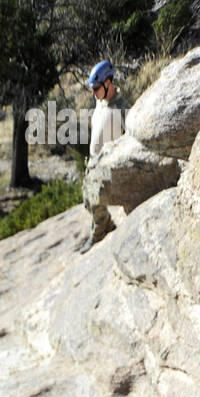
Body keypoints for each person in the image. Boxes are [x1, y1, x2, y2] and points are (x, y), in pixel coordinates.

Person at [81, 59, 126, 252]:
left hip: (107, 164)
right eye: (92, 88)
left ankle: (99, 232)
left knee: (95, 197)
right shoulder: (100, 101)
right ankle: (104, 223)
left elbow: (130, 137)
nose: (93, 93)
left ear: (108, 83)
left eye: (96, 88)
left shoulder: (122, 107)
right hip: (93, 162)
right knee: (87, 199)